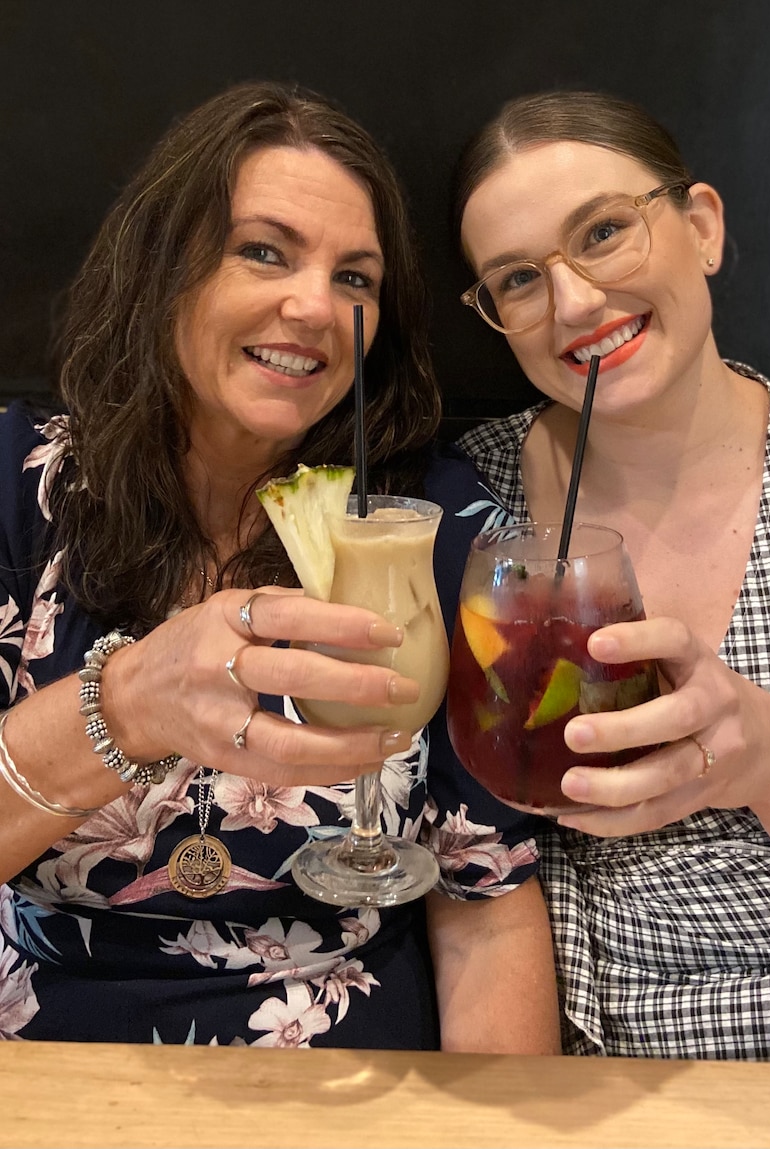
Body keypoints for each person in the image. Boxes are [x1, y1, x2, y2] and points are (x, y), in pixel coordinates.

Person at [0, 81, 560, 1052]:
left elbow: (484, 897)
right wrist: (124, 707)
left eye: (356, 278)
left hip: (339, 1069)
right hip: (49, 1063)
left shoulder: (431, 520)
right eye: (263, 250)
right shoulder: (19, 486)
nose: (314, 305)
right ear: (165, 266)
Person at [451, 89, 770, 1061]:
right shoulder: (464, 498)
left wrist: (769, 758)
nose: (575, 304)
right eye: (516, 279)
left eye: (602, 231)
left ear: (702, 227)